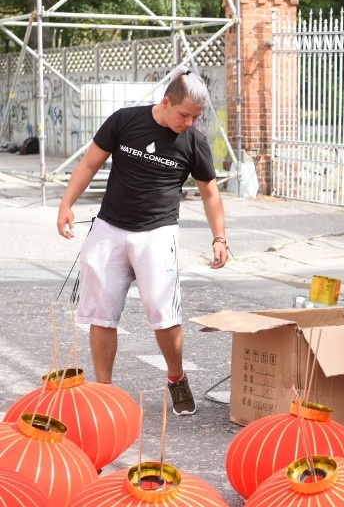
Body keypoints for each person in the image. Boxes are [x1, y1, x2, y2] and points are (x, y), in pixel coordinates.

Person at [56, 67, 228, 416]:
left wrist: (220, 238)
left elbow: (210, 194)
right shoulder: (124, 121)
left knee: (164, 315)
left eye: (196, 117)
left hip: (158, 233)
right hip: (109, 228)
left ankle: (176, 377)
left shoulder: (194, 141)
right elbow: (90, 164)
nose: (190, 123)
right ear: (166, 102)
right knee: (101, 314)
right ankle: (104, 390)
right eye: (184, 115)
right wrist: (66, 204)